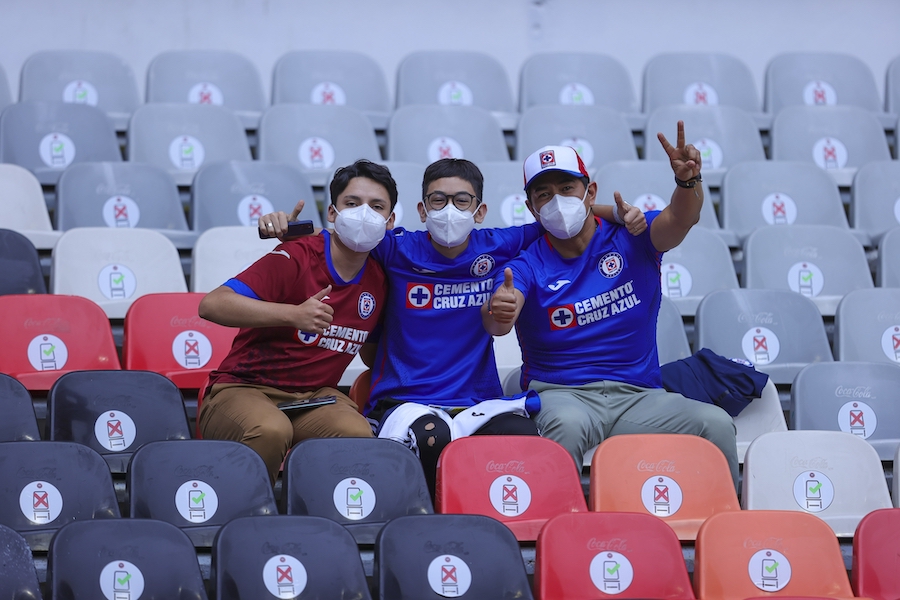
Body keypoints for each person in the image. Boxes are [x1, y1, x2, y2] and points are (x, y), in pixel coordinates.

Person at [261, 158, 646, 494]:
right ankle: (435, 528)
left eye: (462, 200)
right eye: (438, 200)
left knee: (522, 440)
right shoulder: (396, 248)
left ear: (479, 212)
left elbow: (561, 218)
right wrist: (287, 227)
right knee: (432, 440)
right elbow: (346, 234)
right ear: (422, 209)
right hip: (405, 400)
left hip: (477, 401)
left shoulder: (500, 244)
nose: (450, 210)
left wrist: (618, 214)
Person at [481, 123, 739, 487]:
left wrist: (687, 182)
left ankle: (721, 526)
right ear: (531, 207)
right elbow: (499, 318)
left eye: (567, 188)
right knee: (565, 427)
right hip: (562, 395)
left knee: (715, 424)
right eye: (544, 194)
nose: (557, 201)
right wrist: (501, 312)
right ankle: (558, 530)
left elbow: (682, 218)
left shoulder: (632, 236)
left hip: (639, 397)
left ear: (590, 192)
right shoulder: (526, 264)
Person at [197, 159, 397, 485]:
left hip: (315, 398)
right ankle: (245, 517)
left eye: (376, 207)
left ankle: (323, 524)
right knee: (270, 429)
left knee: (357, 434)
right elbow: (212, 305)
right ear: (332, 213)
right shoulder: (297, 256)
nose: (364, 214)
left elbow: (370, 354)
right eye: (352, 203)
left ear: (389, 221)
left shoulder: (381, 276)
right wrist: (293, 315)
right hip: (243, 388)